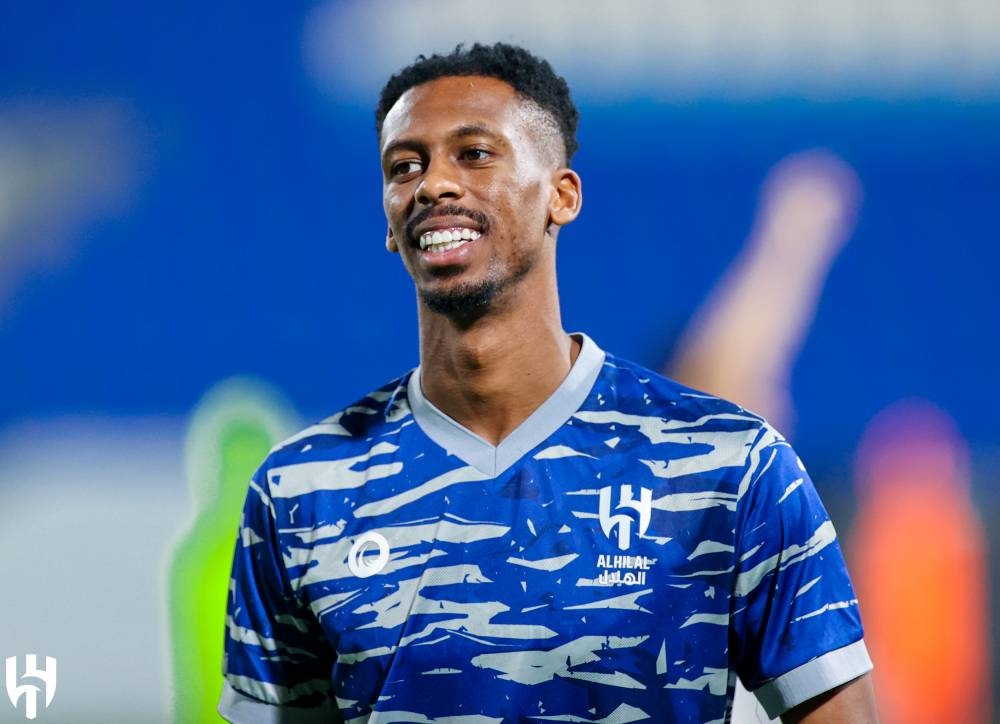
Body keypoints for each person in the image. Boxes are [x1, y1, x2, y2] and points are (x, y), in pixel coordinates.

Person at [219, 43, 877, 723]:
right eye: (405, 166)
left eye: (474, 154)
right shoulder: (303, 491)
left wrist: (794, 237)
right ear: (389, 222)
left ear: (562, 197)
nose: (433, 184)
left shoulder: (728, 466)